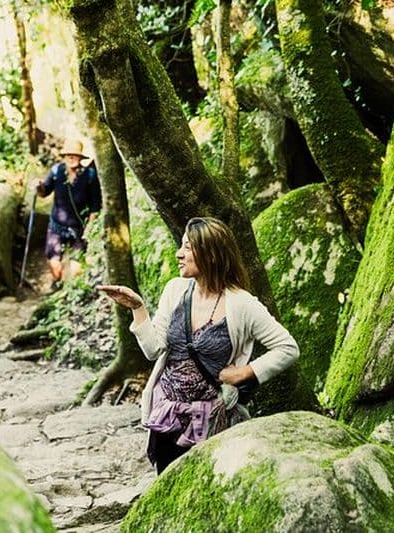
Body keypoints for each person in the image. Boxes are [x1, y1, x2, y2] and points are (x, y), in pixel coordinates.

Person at [98, 217, 298, 474]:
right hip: (167, 415)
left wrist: (244, 373)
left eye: (188, 247)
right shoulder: (175, 290)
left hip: (210, 420)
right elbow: (153, 350)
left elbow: (287, 348)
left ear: (211, 255)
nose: (178, 254)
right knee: (168, 486)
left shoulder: (242, 304)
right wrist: (138, 308)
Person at [36, 139, 102, 289]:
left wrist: (90, 227)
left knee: (76, 269)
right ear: (64, 156)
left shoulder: (89, 175)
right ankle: (56, 284)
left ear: (80, 158)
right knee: (54, 263)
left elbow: (95, 205)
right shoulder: (56, 171)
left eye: (75, 155)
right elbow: (44, 192)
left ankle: (73, 290)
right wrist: (39, 187)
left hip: (79, 228)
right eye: (69, 155)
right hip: (56, 226)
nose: (72, 158)